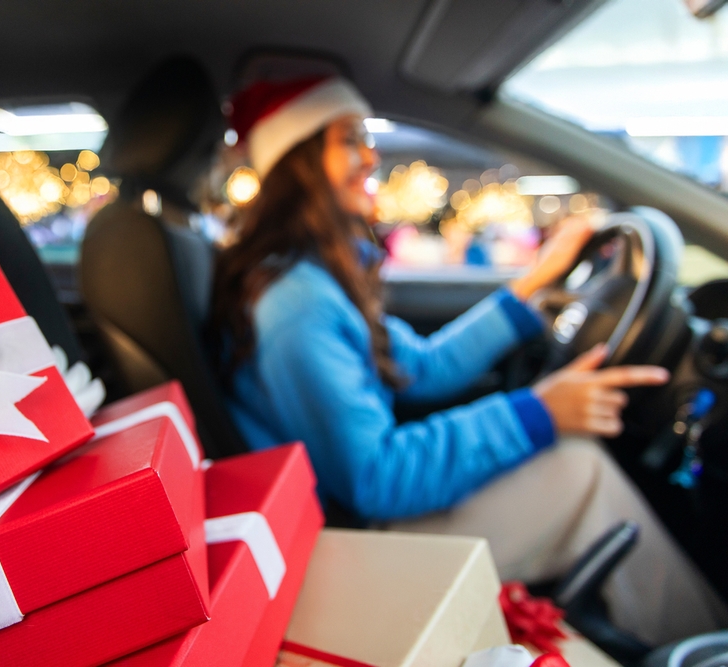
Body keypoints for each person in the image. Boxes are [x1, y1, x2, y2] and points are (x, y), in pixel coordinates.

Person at [211, 75, 726, 646]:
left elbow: (421, 367)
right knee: (579, 469)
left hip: (358, 518)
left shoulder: (315, 277)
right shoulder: (297, 304)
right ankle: (704, 645)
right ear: (299, 162)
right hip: (352, 543)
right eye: (349, 139)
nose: (371, 154)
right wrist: (537, 414)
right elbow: (375, 479)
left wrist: (536, 280)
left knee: (572, 454)